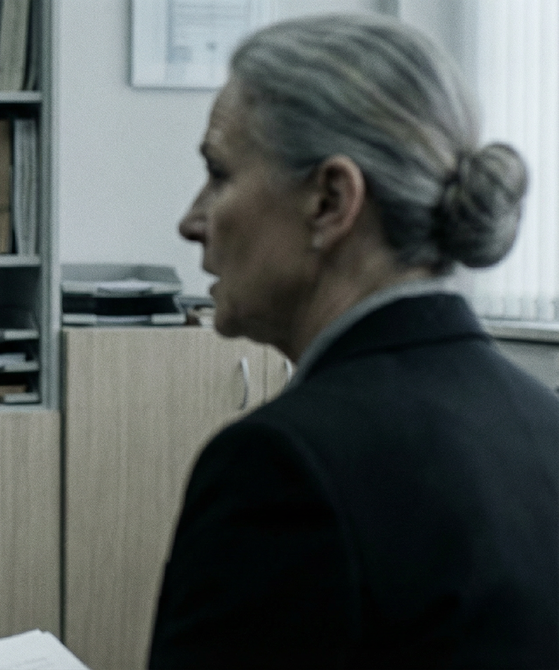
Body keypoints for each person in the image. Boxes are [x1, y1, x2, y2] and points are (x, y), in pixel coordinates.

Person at [149, 14, 558, 667]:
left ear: (330, 200)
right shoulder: (545, 426)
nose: (191, 220)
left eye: (219, 174)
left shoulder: (280, 465)